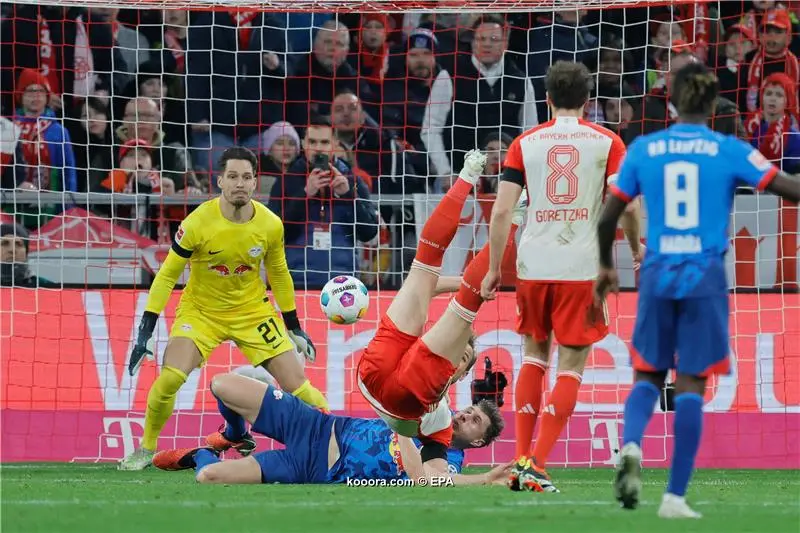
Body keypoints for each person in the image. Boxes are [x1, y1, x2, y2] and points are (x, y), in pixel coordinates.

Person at [596, 62, 799, 519]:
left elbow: (608, 217)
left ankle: (630, 446)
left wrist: (608, 267)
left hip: (657, 273)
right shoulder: (729, 149)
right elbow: (787, 187)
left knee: (648, 375)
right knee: (691, 381)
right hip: (703, 275)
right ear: (712, 105)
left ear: (672, 101)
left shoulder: (644, 148)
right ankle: (673, 498)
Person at [480, 61, 643, 492]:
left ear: (548, 99)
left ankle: (519, 460)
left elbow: (500, 210)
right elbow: (626, 204)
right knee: (571, 365)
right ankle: (538, 465)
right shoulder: (607, 140)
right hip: (580, 267)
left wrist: (496, 267)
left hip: (534, 265)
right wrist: (637, 247)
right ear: (588, 101)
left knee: (534, 357)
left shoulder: (524, 142)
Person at [119, 146, 328, 471]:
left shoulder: (271, 224)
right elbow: (167, 275)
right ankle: (145, 449)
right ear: (220, 181)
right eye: (233, 176)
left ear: (255, 181)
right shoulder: (198, 222)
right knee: (169, 380)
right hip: (201, 313)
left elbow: (280, 273)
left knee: (300, 387)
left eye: (246, 177)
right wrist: (144, 331)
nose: (240, 183)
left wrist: (294, 325)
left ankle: (335, 444)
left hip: (253, 313)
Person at [356, 148, 520, 479]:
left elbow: (434, 477)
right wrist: (465, 282)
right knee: (423, 269)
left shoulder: (441, 428)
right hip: (379, 369)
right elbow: (425, 289)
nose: (456, 356)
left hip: (397, 392)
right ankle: (469, 180)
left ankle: (513, 217)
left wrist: (484, 478)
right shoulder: (443, 417)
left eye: (462, 357)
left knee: (460, 300)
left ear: (459, 376)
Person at [151, 372, 509, 486]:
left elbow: (429, 479)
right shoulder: (433, 418)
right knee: (222, 384)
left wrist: (484, 479)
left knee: (208, 477)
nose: (464, 415)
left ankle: (201, 454)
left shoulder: (446, 458)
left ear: (478, 441)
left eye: (474, 420)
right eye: (469, 410)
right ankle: (233, 433)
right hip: (319, 426)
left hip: (311, 469)